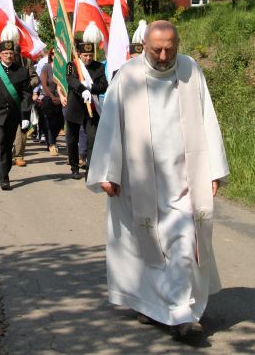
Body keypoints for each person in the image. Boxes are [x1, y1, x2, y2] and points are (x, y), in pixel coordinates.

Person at [86, 20, 229, 339]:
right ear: (144, 46)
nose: (164, 56)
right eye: (157, 50)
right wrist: (108, 172)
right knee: (145, 245)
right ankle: (152, 304)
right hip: (138, 179)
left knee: (181, 241)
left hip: (184, 177)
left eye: (170, 49)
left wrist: (214, 170)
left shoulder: (191, 71)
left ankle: (181, 314)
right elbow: (110, 125)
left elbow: (208, 118)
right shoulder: (129, 76)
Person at [0, 39, 32, 191]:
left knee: (8, 146)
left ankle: (3, 170)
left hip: (13, 115)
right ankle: (4, 178)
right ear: (0, 55)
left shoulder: (21, 71)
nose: (8, 56)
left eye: (11, 53)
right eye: (5, 53)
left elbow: (26, 95)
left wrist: (25, 116)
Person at [64, 42, 107, 179]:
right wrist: (83, 89)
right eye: (85, 55)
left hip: (92, 108)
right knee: (72, 139)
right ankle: (74, 167)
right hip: (75, 107)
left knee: (92, 139)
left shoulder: (98, 66)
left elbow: (103, 86)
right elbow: (71, 80)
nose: (88, 58)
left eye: (90, 55)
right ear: (79, 55)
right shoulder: (72, 65)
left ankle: (90, 169)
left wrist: (91, 87)